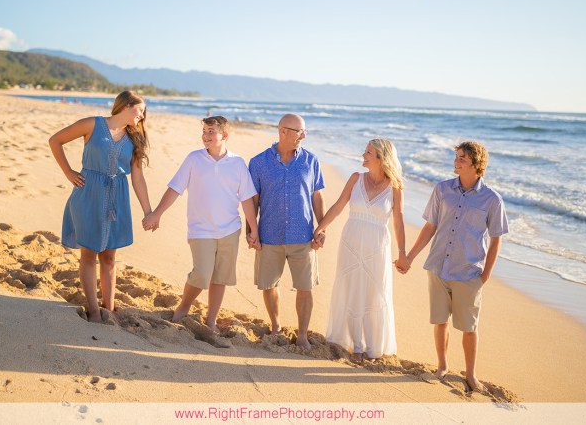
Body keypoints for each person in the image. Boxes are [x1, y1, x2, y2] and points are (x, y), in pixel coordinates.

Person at [398, 141, 509, 392]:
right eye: (457, 156)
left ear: (476, 165)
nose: (456, 161)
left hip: (469, 272)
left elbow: (496, 239)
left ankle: (471, 375)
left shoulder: (492, 199)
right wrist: (411, 257)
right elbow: (430, 227)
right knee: (440, 321)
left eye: (462, 158)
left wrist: (486, 275)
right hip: (438, 266)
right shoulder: (442, 189)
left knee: (469, 328)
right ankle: (442, 366)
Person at [142, 116, 259, 332]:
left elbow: (247, 200)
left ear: (225, 135)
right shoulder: (194, 159)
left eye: (211, 131)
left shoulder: (238, 163)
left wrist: (254, 231)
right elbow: (175, 188)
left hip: (230, 230)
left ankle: (211, 320)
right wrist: (157, 214)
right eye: (204, 131)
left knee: (220, 277)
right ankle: (184, 306)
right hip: (201, 230)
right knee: (202, 273)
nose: (206, 136)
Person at [48, 90, 152, 323]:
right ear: (125, 106)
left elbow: (138, 178)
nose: (142, 116)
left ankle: (109, 306)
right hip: (88, 194)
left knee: (109, 257)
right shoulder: (91, 124)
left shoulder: (135, 139)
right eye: (140, 110)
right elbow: (55, 140)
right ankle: (94, 311)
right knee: (89, 254)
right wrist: (68, 172)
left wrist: (148, 211)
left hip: (117, 198)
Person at [313, 139, 407, 362]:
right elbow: (338, 206)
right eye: (365, 151)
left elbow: (399, 221)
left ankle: (373, 347)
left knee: (374, 294)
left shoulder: (395, 186)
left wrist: (403, 253)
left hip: (377, 248)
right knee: (351, 289)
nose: (363, 155)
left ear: (381, 158)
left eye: (368, 152)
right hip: (351, 244)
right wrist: (320, 228)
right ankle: (356, 345)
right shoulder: (356, 178)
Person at [248, 113, 325, 350]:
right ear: (283, 131)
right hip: (269, 234)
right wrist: (252, 231)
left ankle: (302, 334)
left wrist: (321, 228)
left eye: (304, 131)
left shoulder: (311, 161)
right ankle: (276, 325)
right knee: (269, 284)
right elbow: (253, 200)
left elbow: (317, 196)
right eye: (299, 131)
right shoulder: (258, 162)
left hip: (303, 236)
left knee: (305, 286)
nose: (303, 135)